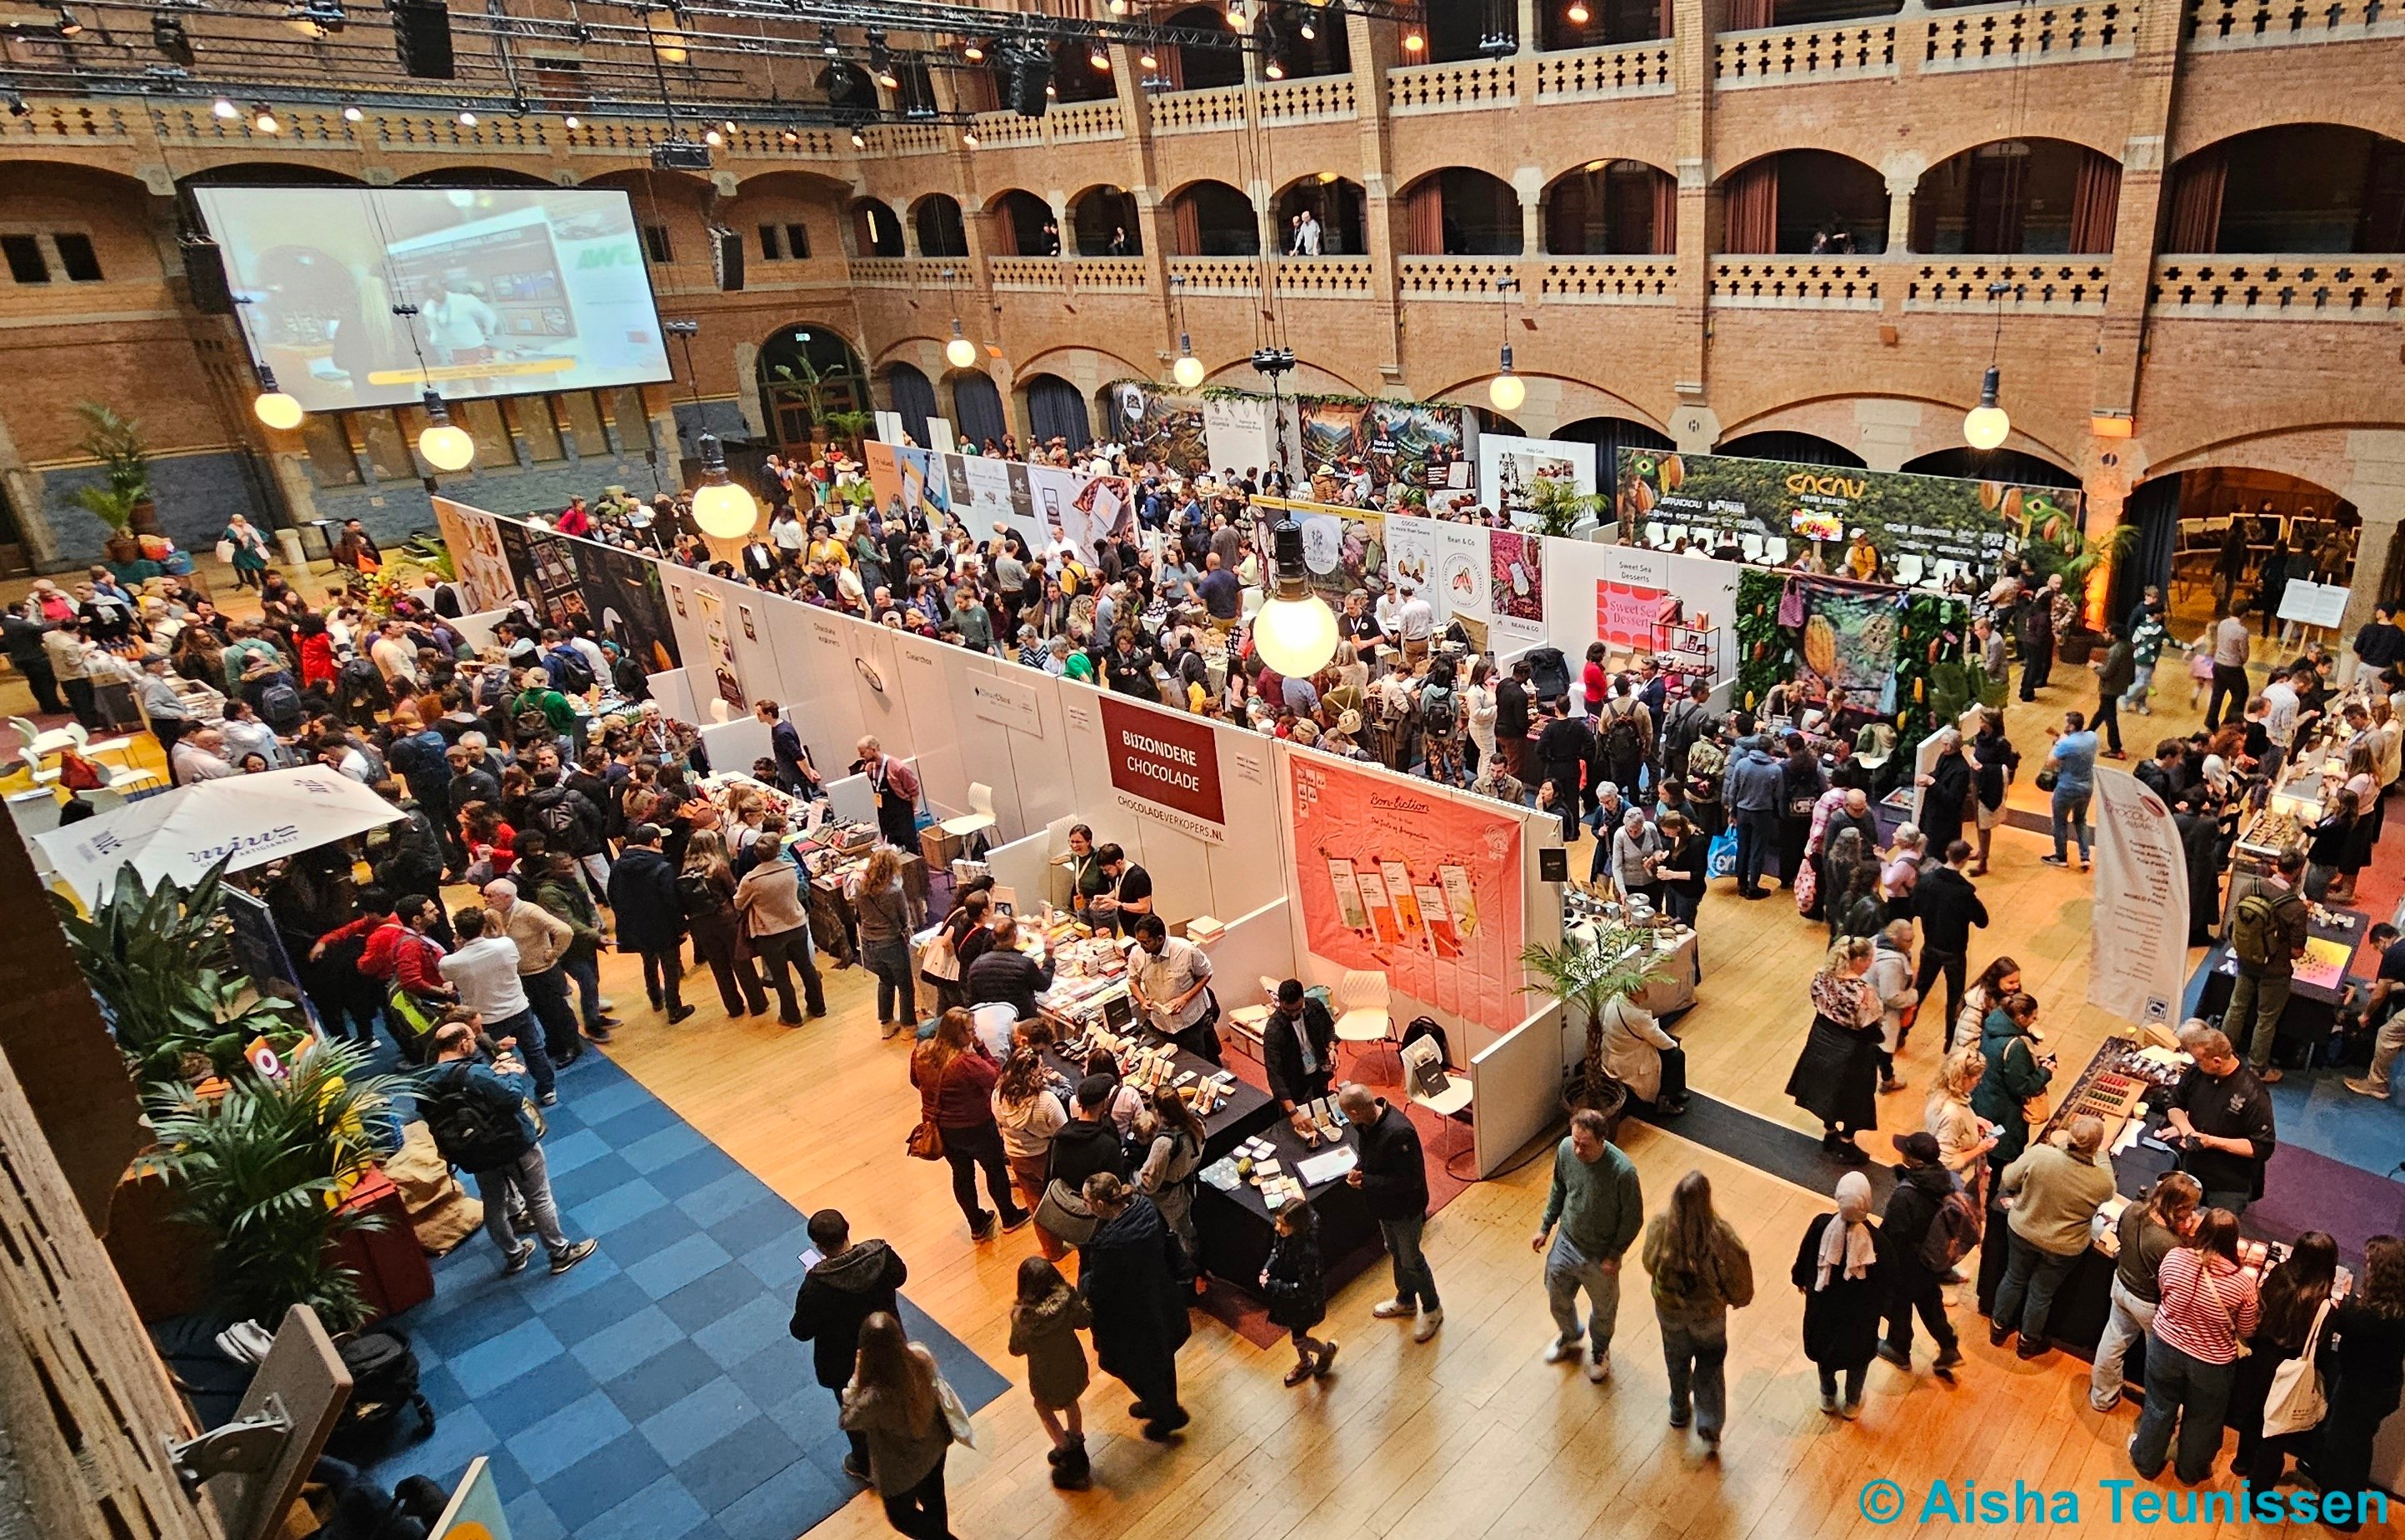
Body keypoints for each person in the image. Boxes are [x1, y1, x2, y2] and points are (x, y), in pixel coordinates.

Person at [420, 1020, 596, 1275]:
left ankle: (513, 1255)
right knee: (539, 1197)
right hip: (511, 1144)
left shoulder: (425, 1082)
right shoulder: (474, 1074)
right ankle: (560, 1252)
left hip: (473, 1152)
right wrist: (512, 1073)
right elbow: (511, 1099)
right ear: (463, 1043)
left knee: (493, 1203)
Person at [2129, 1208, 2258, 1485]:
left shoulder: (2175, 1257)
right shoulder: (2243, 1285)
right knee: (2202, 1419)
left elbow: (2164, 1289)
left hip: (2164, 1346)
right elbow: (2247, 1329)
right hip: (2211, 1364)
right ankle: (2190, 1472)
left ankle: (2146, 1461)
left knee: (2158, 1406)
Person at [789, 1208, 908, 1483]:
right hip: (888, 1345)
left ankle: (865, 1463)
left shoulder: (816, 1286)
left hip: (844, 1364)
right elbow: (900, 1276)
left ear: (817, 1245)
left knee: (855, 1413)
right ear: (848, 1229)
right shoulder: (880, 1255)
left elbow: (801, 1331)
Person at [1638, 1170, 1752, 1448]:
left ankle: (1679, 1409)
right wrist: (1736, 1298)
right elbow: (1739, 1277)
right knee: (1710, 1365)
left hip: (1670, 1313)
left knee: (1675, 1359)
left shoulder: (1660, 1227)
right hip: (1709, 1317)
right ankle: (1710, 1425)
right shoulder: (1721, 1235)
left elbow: (1649, 1263)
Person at [1078, 1171, 1192, 1439]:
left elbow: (1099, 1288)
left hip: (1133, 1318)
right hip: (1161, 1298)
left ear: (1101, 1205)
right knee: (1163, 1359)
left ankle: (1164, 1411)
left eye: (1087, 1201)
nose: (1084, 1206)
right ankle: (1163, 1403)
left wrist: (1084, 1281)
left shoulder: (1110, 1245)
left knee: (1131, 1366)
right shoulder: (1145, 1207)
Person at [1990, 1114, 2115, 1358]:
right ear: (2095, 1146)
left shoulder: (2040, 1154)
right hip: (2063, 1247)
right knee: (2041, 1293)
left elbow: (2008, 1179)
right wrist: (2102, 1154)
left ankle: (1997, 1329)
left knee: (2013, 1277)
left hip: (2023, 1229)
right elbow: (2110, 1187)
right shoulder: (2101, 1182)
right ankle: (2027, 1344)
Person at [1534, 1108, 1644, 1382]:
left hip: (1600, 1256)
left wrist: (1614, 1254)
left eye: (1585, 1145)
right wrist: (1546, 1227)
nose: (1578, 1151)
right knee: (1556, 1296)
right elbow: (1559, 1188)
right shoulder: (1566, 1151)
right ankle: (1570, 1335)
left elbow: (1633, 1219)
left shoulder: (1623, 1173)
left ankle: (1600, 1350)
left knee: (1604, 1310)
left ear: (1602, 1140)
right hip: (1567, 1240)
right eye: (1575, 1142)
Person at [2229, 1229, 2338, 1489]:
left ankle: (2242, 1461)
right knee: (2276, 1431)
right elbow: (2319, 1349)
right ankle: (2260, 1490)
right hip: (2292, 1368)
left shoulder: (2279, 1274)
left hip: (2262, 1356)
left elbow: (2260, 1309)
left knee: (2254, 1413)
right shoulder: (2323, 1303)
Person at [841, 1312, 962, 1540]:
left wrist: (856, 1379)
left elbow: (847, 1420)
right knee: (934, 1499)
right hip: (935, 1447)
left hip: (901, 1471)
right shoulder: (920, 1357)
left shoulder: (873, 1397)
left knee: (901, 1517)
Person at [912, 1008, 1031, 1239]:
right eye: (970, 1030)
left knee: (962, 1174)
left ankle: (976, 1224)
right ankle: (1009, 1217)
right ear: (959, 1034)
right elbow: (995, 1076)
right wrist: (981, 1048)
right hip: (976, 1126)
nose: (974, 1033)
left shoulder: (921, 1053)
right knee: (994, 1169)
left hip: (940, 1128)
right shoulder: (965, 1062)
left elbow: (915, 1081)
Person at [2090, 1172, 2201, 1412]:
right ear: (2179, 1207)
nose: (2192, 1213)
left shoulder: (2133, 1209)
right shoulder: (2170, 1244)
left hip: (2121, 1285)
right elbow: (2179, 1277)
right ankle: (2157, 1412)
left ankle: (2101, 1397)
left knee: (2113, 1342)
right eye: (2190, 1209)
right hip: (2149, 1304)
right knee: (2159, 1362)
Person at [2317, 1233, 2405, 1529]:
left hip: (2358, 1391)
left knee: (2342, 1449)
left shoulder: (2362, 1313)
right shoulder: (2398, 1312)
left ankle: (2340, 1514)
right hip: (2386, 1390)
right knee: (2358, 1447)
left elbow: (2338, 1323)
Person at [1342, 1082, 1441, 1342]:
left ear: (1354, 1113)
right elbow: (1369, 1155)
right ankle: (1406, 1299)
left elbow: (1411, 1180)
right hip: (1385, 1207)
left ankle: (1432, 1308)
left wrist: (1367, 1182)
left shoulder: (1399, 1133)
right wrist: (1360, 1168)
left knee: (1412, 1260)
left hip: (1405, 1210)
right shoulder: (1366, 1124)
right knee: (1395, 1251)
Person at [436, 907, 558, 1106]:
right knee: (534, 1049)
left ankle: (504, 1094)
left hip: (484, 1018)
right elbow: (511, 955)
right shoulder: (506, 945)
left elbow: (449, 979)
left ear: (457, 932)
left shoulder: (449, 962)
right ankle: (547, 1089)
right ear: (483, 926)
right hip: (517, 1007)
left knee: (493, 1056)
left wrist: (459, 949)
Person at [1785, 938, 1884, 1163]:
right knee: (1856, 1097)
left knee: (1823, 1089)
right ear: (1858, 960)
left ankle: (1830, 1132)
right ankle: (1846, 1143)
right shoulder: (1863, 991)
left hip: (1821, 1037)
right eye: (1869, 959)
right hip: (1852, 1049)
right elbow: (1870, 1022)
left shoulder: (1822, 975)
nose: (1871, 963)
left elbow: (1815, 999)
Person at [1794, 1171, 1884, 1418]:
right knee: (1858, 1361)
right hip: (1859, 1321)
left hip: (1823, 1312)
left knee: (1825, 1356)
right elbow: (1887, 1281)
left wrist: (1801, 1281)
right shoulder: (1877, 1241)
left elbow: (1804, 1259)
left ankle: (1828, 1395)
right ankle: (1853, 1402)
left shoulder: (1820, 1226)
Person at [1877, 1132, 1967, 1379]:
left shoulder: (1905, 1196)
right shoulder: (1946, 1179)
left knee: (1899, 1304)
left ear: (1914, 1160)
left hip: (1907, 1262)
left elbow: (1894, 1236)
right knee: (1931, 1303)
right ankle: (1949, 1346)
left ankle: (1898, 1348)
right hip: (1932, 1259)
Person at [2163, 1022, 2276, 1214]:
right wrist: (2188, 1131)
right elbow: (2175, 1106)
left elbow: (2262, 1147)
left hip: (2228, 1183)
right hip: (2193, 1167)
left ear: (2217, 1061)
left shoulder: (2253, 1094)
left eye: (2199, 1060)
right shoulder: (2197, 1072)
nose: (2195, 1064)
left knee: (2214, 1234)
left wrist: (2212, 1142)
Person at [1008, 1256, 1094, 1488]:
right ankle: (1076, 1439)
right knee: (1071, 1402)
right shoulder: (1067, 1297)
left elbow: (1015, 1349)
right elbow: (1084, 1320)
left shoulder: (1022, 1318)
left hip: (1045, 1377)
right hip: (1074, 1366)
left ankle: (1066, 1449)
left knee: (1043, 1408)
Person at [2227, 848, 2309, 1082]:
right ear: (2298, 871)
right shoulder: (2295, 908)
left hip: (2245, 959)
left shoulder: (2250, 887)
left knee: (2237, 1006)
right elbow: (2296, 952)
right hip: (2275, 971)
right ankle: (2258, 1068)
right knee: (2266, 1019)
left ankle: (2223, 1052)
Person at [734, 822, 828, 1022]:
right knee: (807, 969)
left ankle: (792, 1016)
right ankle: (818, 1006)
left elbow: (738, 903)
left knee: (781, 976)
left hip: (769, 933)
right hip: (796, 924)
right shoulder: (790, 870)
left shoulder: (751, 880)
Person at [680, 828, 769, 1018]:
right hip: (727, 921)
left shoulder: (686, 869)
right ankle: (757, 1004)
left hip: (702, 925)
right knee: (742, 963)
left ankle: (734, 1007)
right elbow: (734, 891)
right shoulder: (717, 867)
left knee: (719, 968)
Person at [608, 822, 691, 1022]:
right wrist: (682, 927)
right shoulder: (662, 867)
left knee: (649, 961)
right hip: (663, 926)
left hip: (637, 926)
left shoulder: (617, 865)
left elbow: (612, 895)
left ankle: (655, 998)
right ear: (655, 841)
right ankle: (675, 1008)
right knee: (670, 967)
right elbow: (672, 902)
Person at [994, 1048, 1070, 1261]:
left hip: (1017, 1156)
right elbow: (1063, 1132)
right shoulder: (1046, 1101)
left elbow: (1000, 1122)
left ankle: (1052, 1251)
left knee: (1035, 1203)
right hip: (1046, 1156)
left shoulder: (999, 1096)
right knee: (1062, 1197)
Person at [1260, 1198, 1339, 1388]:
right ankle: (1306, 1361)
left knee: (1299, 1338)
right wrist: (1267, 1269)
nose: (1278, 1228)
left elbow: (1303, 1289)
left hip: (1305, 1304)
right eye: (1277, 1222)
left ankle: (1324, 1352)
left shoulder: (1308, 1253)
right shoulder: (1287, 1235)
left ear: (1297, 1226)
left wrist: (1273, 1286)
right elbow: (1276, 1251)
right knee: (1297, 1334)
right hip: (1291, 1299)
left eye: (1283, 1225)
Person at [1971, 991, 2052, 1170]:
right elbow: (2022, 1086)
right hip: (2005, 1112)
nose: (2034, 1022)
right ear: (2021, 1017)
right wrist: (2046, 1072)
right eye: (2033, 1017)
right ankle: (1991, 1190)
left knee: (1987, 1143)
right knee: (1999, 1153)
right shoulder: (2015, 1046)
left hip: (1985, 1100)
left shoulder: (1992, 1027)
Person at [1913, 841, 1986, 1035]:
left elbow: (1915, 907)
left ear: (1947, 853)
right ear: (1965, 860)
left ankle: (1902, 1031)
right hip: (1954, 951)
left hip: (1930, 945)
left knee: (1919, 991)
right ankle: (1950, 1040)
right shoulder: (1964, 892)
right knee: (1955, 997)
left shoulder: (1927, 881)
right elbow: (1982, 921)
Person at [1128, 913, 1218, 1061]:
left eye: (1146, 942)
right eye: (1139, 942)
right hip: (1160, 1022)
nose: (1142, 946)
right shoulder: (1137, 953)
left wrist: (1184, 999)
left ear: (1160, 939)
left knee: (1196, 1060)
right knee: (1170, 1061)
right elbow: (1132, 981)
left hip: (1189, 1020)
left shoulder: (1186, 950)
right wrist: (1142, 1001)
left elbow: (1206, 974)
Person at [852, 844, 919, 1036]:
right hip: (890, 943)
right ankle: (908, 1026)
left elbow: (858, 912)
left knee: (885, 981)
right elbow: (904, 919)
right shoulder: (894, 892)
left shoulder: (859, 887)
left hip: (868, 943)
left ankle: (886, 1024)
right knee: (905, 986)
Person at [1263, 978, 1337, 1116]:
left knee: (1323, 1114)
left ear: (1303, 999)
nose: (1293, 1014)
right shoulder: (1274, 1030)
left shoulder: (1315, 1007)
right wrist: (1292, 1112)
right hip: (1295, 1082)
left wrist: (1332, 1048)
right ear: (1280, 1003)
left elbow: (1330, 1029)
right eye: (1287, 1010)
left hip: (1318, 1074)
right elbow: (1274, 1073)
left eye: (1297, 1009)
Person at [1724, 729, 1783, 898]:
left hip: (1742, 812)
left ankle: (1741, 884)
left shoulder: (1742, 764)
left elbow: (1733, 790)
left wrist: (1732, 810)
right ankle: (1753, 887)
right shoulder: (1775, 770)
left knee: (1742, 847)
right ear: (1770, 750)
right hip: (1762, 814)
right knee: (1758, 850)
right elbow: (1778, 794)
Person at [963, 914, 1055, 1022]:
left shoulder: (976, 965)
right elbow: (1044, 984)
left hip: (992, 1020)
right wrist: (1049, 958)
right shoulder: (1025, 964)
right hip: (1021, 1021)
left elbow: (972, 1001)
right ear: (1015, 935)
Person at [2038, 710, 2098, 870]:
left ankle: (2061, 856)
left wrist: (2058, 743)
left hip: (2066, 788)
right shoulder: (2092, 737)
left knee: (2060, 821)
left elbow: (2050, 763)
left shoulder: (2066, 744)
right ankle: (2085, 857)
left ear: (2071, 726)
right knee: (2080, 820)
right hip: (2087, 787)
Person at [1867, 918, 1918, 1094]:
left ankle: (1887, 1079)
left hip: (1869, 1005)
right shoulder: (1891, 963)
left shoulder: (1874, 941)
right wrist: (1913, 996)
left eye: (1912, 939)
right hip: (1882, 1013)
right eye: (1907, 940)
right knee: (1883, 1049)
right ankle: (1887, 1081)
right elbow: (1891, 997)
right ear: (1893, 937)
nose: (1911, 944)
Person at [853, 736, 922, 852]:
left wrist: (910, 809)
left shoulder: (898, 767)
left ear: (874, 750)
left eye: (862, 752)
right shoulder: (870, 768)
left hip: (901, 814)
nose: (860, 756)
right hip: (884, 814)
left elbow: (914, 790)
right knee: (890, 848)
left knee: (910, 848)